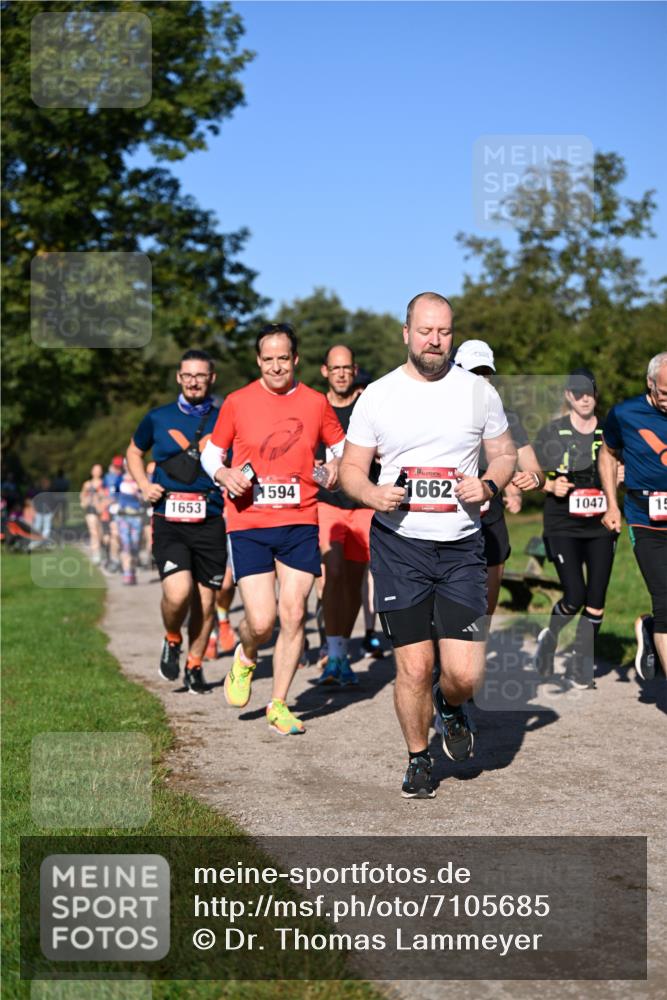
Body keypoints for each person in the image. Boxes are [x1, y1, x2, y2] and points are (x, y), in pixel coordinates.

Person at [339, 292, 516, 799]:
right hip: (400, 547)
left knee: (465, 674)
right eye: (425, 331)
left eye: (443, 332)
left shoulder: (478, 393)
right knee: (414, 666)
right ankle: (419, 758)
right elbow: (351, 469)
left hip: (461, 547)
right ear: (406, 333)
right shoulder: (379, 395)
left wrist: (489, 483)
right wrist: (372, 493)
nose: (434, 341)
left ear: (452, 335)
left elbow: (504, 453)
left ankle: (450, 704)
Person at [201, 322, 345, 736]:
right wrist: (223, 474)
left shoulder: (316, 403)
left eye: (284, 358)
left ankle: (278, 703)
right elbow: (211, 455)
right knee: (262, 622)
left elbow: (342, 449)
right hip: (249, 522)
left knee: (294, 612)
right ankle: (246, 655)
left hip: (300, 519)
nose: (277, 366)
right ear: (258, 360)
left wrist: (335, 467)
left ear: (295, 359)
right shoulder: (237, 402)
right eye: (269, 359)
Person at [126, 349, 227, 694]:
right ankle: (172, 637)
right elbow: (134, 452)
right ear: (178, 378)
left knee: (207, 602)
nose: (194, 382)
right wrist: (144, 485)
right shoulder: (158, 417)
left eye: (200, 375)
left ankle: (194, 665)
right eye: (188, 375)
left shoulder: (225, 419)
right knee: (179, 591)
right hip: (168, 518)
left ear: (211, 378)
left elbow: (241, 458)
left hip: (210, 518)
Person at [532, 368, 619, 688]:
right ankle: (551, 637)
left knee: (596, 599)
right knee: (575, 595)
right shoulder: (552, 432)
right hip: (563, 525)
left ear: (596, 394)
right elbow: (528, 472)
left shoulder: (610, 431)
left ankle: (580, 665)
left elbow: (626, 463)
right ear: (568, 396)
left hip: (601, 523)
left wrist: (622, 474)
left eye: (589, 393)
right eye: (578, 393)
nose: (585, 399)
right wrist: (548, 485)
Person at [455, 339, 545, 614]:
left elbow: (534, 469)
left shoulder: (507, 418)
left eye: (485, 373)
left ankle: (479, 640)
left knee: (485, 610)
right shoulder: (439, 414)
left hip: (490, 518)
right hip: (449, 518)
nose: (481, 379)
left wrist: (534, 480)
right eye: (473, 373)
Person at [599, 352, 667, 680]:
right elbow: (608, 454)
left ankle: (651, 629)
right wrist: (611, 504)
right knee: (665, 598)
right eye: (664, 393)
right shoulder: (625, 414)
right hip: (645, 519)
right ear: (650, 384)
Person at [316, 344, 374, 686]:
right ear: (325, 371)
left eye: (346, 368)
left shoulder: (368, 406)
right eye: (334, 368)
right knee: (333, 571)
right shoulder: (314, 406)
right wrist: (320, 470)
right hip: (326, 503)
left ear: (354, 370)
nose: (340, 374)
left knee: (353, 582)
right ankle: (333, 648)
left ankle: (340, 653)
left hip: (362, 503)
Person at [79, 463, 105, 565]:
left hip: (102, 511)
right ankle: (96, 554)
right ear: (92, 472)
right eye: (95, 470)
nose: (97, 472)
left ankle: (103, 550)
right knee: (93, 532)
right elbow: (82, 494)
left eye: (99, 470)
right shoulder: (87, 484)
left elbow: (107, 496)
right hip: (90, 510)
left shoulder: (104, 483)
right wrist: (83, 502)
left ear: (101, 472)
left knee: (101, 533)